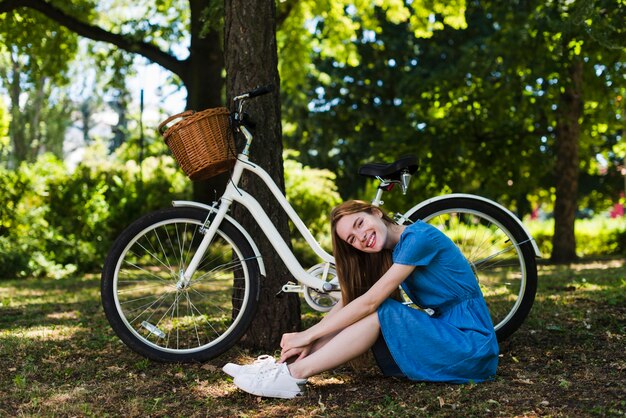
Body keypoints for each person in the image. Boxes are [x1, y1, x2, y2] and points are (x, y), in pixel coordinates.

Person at [223, 200, 499, 399]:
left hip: (470, 343)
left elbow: (369, 304)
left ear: (376, 212)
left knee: (383, 310)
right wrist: (310, 341)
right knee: (373, 307)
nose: (361, 238)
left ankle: (295, 375)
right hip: (448, 332)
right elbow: (353, 302)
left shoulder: (419, 237)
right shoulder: (394, 252)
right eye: (352, 239)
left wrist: (306, 334)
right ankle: (284, 367)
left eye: (360, 223)